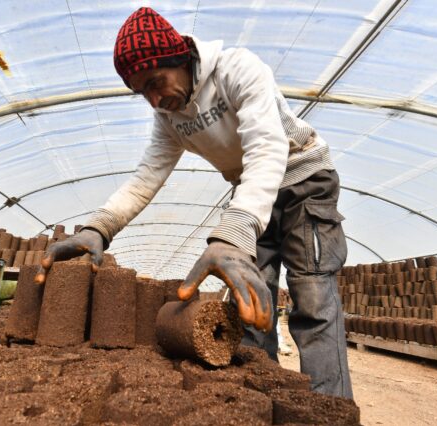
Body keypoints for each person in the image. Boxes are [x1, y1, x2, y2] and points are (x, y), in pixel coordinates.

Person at [36, 7, 352, 398]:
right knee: (250, 298)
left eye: (156, 82)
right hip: (252, 191)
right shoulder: (169, 116)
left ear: (180, 57)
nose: (153, 98)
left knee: (313, 298)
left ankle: (328, 408)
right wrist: (97, 227)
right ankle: (263, 398)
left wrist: (234, 236)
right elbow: (145, 178)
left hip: (304, 178)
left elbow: (267, 148)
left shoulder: (237, 68)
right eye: (142, 92)